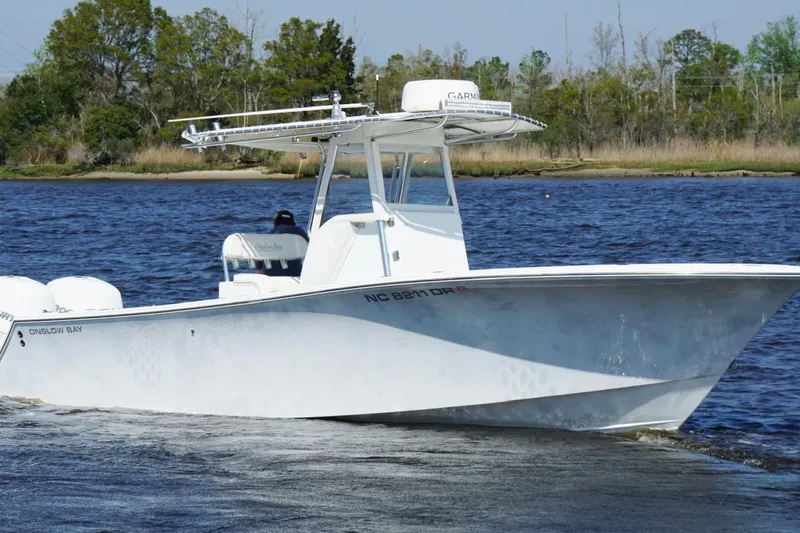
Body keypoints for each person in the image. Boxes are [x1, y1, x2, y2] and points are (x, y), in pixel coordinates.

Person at [255, 210, 309, 277]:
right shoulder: (298, 231)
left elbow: (258, 269)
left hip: (269, 276)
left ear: (275, 223)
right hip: (294, 275)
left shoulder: (267, 237)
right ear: (293, 222)